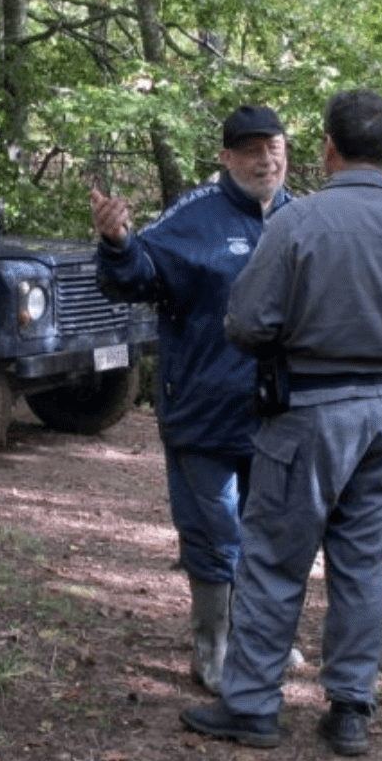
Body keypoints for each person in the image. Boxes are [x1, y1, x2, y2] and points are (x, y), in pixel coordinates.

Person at [180, 89, 382, 757]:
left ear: (328, 148)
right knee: (362, 562)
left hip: (311, 411)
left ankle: (252, 706)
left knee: (275, 561)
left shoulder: (299, 223)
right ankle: (350, 709)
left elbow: (246, 323)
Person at [91, 105, 292, 694]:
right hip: (203, 411)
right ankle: (215, 650)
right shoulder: (194, 216)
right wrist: (118, 241)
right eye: (250, 150)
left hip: (280, 414)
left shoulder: (302, 218)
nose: (264, 159)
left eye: (273, 147)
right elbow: (135, 276)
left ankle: (262, 637)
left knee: (273, 533)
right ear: (226, 158)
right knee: (214, 536)